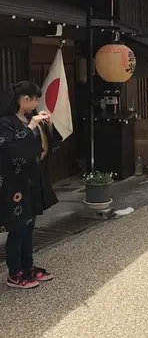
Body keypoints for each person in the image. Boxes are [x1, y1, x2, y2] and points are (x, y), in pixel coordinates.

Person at [0, 81, 58, 289]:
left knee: (29, 225)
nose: (35, 103)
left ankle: (28, 267)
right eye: (34, 99)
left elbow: (44, 146)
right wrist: (31, 127)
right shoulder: (5, 122)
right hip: (14, 182)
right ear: (25, 99)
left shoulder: (28, 118)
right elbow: (8, 148)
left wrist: (47, 127)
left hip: (31, 178)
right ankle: (14, 273)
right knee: (17, 227)